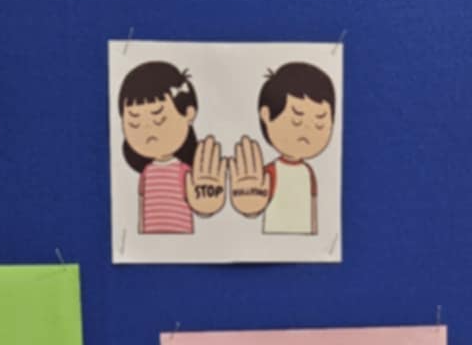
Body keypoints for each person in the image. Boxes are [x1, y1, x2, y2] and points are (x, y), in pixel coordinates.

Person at [118, 61, 228, 234]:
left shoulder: (185, 171)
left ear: (189, 113)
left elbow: (200, 203)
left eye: (158, 118)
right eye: (134, 122)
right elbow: (141, 207)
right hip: (151, 239)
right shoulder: (146, 173)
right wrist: (140, 233)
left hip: (182, 238)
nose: (147, 129)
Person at [229, 61, 337, 235]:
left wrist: (315, 233)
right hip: (274, 237)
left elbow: (313, 206)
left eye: (320, 122)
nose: (307, 130)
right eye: (297, 119)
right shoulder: (271, 172)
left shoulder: (309, 172)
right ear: (266, 115)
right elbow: (256, 202)